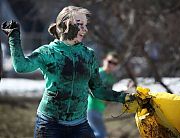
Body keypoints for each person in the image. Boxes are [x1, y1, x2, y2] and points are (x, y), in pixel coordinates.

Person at [1, 6, 136, 138]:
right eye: (80, 24)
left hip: (79, 125)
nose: (85, 29)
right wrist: (14, 37)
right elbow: (21, 67)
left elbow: (98, 90)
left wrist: (125, 98)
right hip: (49, 124)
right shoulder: (48, 52)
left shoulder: (88, 55)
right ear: (65, 25)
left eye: (85, 24)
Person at [87, 51, 119, 138]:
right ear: (105, 60)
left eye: (114, 63)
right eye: (110, 61)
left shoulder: (112, 78)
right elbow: (89, 89)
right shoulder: (98, 73)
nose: (111, 64)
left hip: (100, 110)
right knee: (101, 134)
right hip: (91, 108)